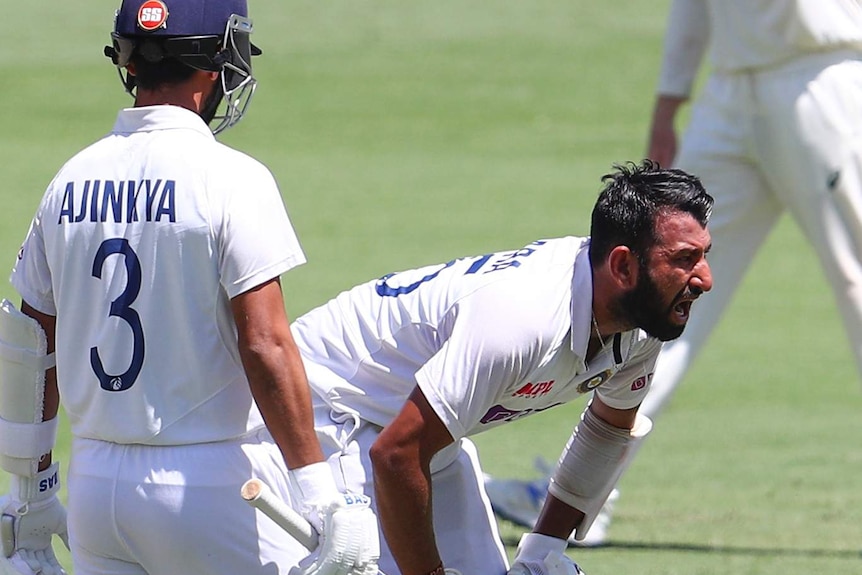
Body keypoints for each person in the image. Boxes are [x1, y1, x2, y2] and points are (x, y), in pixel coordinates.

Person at [0, 1, 378, 574]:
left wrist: (30, 489)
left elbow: (29, 346)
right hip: (208, 488)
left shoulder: (69, 179)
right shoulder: (232, 178)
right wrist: (322, 494)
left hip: (96, 490)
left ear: (128, 63)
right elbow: (265, 344)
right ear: (214, 66)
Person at [484, 0, 862, 548]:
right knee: (660, 291)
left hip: (820, 78)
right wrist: (670, 100)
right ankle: (579, 501)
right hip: (730, 91)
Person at [278, 160, 713, 575]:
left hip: (426, 437)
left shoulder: (642, 319)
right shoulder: (522, 319)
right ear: (622, 265)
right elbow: (395, 455)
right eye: (684, 259)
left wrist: (544, 551)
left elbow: (609, 428)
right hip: (326, 411)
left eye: (704, 255)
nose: (705, 279)